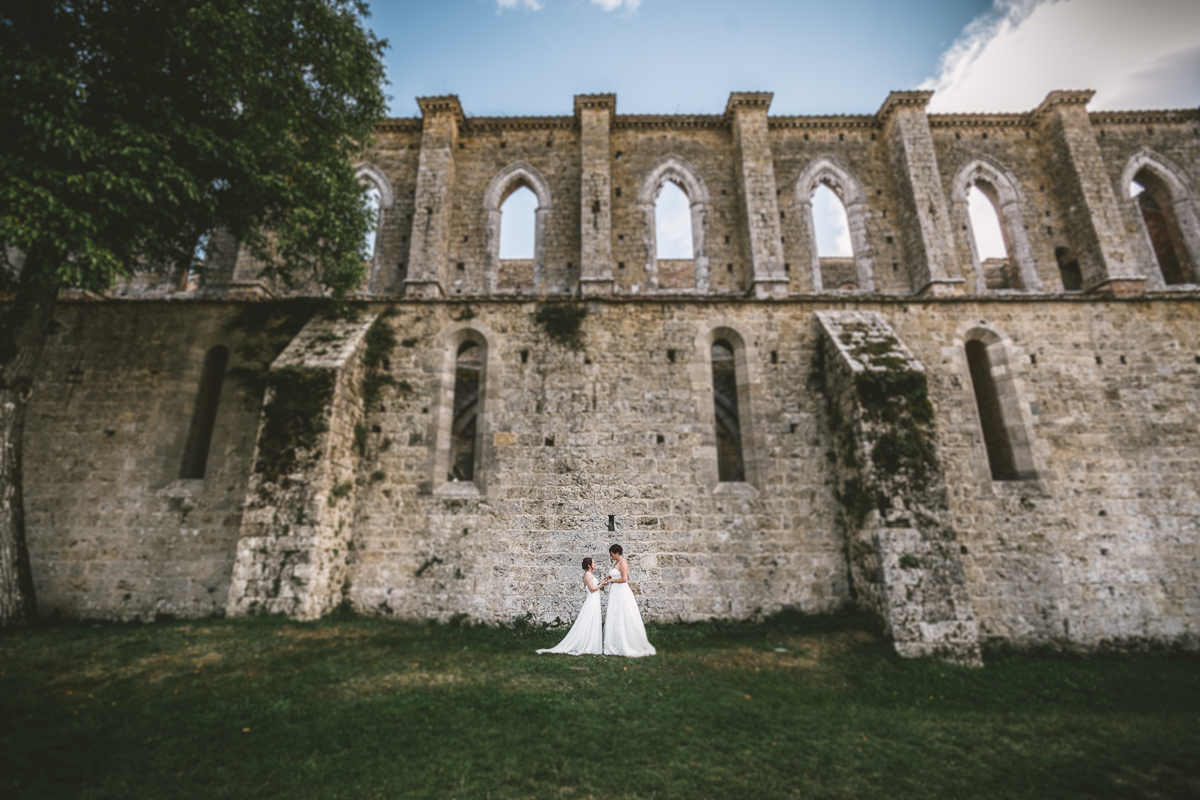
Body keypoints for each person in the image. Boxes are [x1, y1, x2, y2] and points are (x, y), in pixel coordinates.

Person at [536, 557, 604, 655]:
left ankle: (592, 644)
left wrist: (602, 582)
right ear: (589, 565)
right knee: (589, 622)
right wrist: (602, 584)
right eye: (594, 562)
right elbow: (592, 589)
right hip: (592, 601)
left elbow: (594, 587)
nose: (595, 564)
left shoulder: (591, 574)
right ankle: (587, 645)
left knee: (593, 622)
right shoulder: (588, 574)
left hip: (595, 600)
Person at [598, 544, 656, 657]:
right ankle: (613, 642)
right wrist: (608, 578)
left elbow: (624, 579)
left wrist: (611, 581)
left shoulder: (623, 562)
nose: (611, 557)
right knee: (614, 614)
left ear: (617, 553)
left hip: (621, 591)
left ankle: (624, 642)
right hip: (615, 591)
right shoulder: (616, 563)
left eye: (611, 554)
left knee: (622, 614)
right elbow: (615, 575)